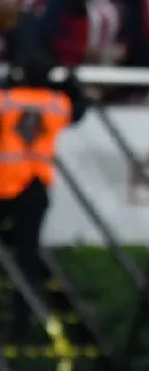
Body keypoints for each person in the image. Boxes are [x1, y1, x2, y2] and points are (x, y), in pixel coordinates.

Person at [0, 49, 88, 343]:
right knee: (28, 258)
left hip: (5, 186)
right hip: (36, 188)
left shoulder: (7, 100)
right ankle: (21, 328)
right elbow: (79, 109)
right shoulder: (56, 103)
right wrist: (68, 83)